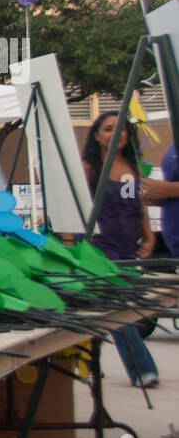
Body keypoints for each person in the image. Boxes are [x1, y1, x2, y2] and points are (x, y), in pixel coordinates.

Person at [82, 112, 158, 390]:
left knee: (115, 311)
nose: (117, 133)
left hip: (129, 245)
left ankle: (90, 364)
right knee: (119, 308)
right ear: (98, 135)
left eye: (122, 128)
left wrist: (148, 237)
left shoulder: (131, 164)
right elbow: (75, 201)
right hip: (102, 246)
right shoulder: (91, 166)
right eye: (108, 129)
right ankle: (143, 370)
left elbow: (139, 204)